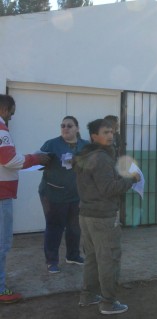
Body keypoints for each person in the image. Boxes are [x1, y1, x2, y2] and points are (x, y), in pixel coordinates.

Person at [74, 119, 140, 315]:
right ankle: (108, 303)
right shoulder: (101, 158)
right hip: (103, 217)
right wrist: (131, 179)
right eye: (105, 132)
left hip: (86, 215)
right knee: (109, 259)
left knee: (92, 258)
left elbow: (98, 185)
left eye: (112, 131)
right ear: (94, 136)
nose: (111, 135)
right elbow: (108, 189)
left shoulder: (86, 155)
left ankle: (87, 296)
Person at [0, 94, 50, 303]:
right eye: (12, 111)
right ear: (5, 108)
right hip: (1, 194)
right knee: (2, 243)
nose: (12, 116)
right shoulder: (1, 129)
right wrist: (35, 158)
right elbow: (9, 159)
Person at [39, 116, 90, 274]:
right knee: (54, 227)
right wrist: (43, 161)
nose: (65, 128)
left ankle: (73, 255)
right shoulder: (51, 144)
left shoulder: (85, 145)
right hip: (53, 194)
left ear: (77, 128)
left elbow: (92, 165)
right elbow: (38, 163)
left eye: (69, 125)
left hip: (76, 194)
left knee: (75, 227)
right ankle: (52, 261)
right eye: (63, 125)